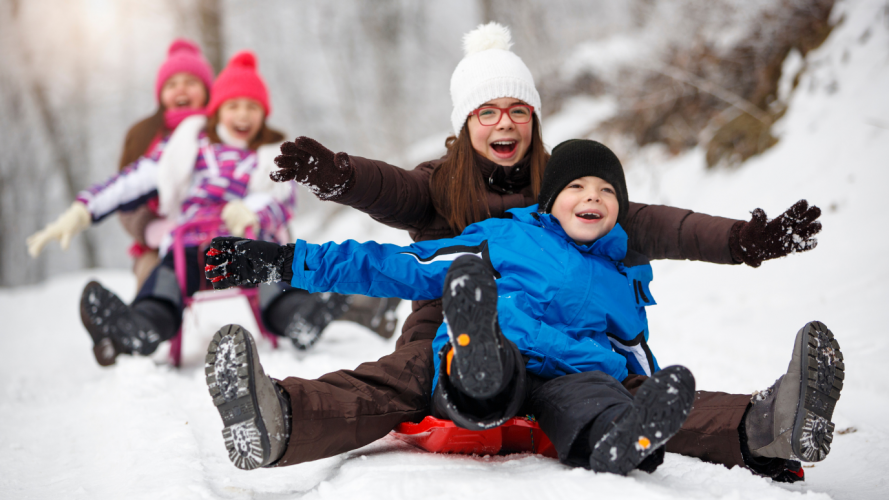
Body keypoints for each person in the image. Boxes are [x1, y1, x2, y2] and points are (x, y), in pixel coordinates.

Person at [199, 23, 825, 480]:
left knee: (629, 388)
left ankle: (768, 426)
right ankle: (280, 415)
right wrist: (337, 180)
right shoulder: (446, 186)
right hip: (455, 310)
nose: (505, 124)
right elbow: (392, 210)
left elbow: (665, 225)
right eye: (488, 112)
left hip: (564, 343)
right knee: (409, 373)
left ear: (535, 119)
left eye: (518, 111)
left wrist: (744, 240)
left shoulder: (571, 186)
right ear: (466, 124)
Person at [25, 51, 348, 363]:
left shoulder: (269, 156)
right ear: (217, 110)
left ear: (264, 113)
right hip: (190, 251)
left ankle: (300, 316)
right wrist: (82, 211)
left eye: (252, 106)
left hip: (248, 248)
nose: (243, 114)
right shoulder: (188, 149)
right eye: (233, 105)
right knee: (165, 282)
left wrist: (251, 209)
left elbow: (282, 200)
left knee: (272, 276)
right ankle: (141, 326)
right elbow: (131, 181)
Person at [114, 38, 214, 290]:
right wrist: (149, 228)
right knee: (154, 275)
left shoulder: (223, 131)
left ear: (206, 90)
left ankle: (293, 306)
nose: (181, 89)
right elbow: (123, 197)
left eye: (191, 82)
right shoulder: (143, 136)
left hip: (223, 237)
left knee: (266, 256)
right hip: (162, 247)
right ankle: (145, 323)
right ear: (161, 94)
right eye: (172, 84)